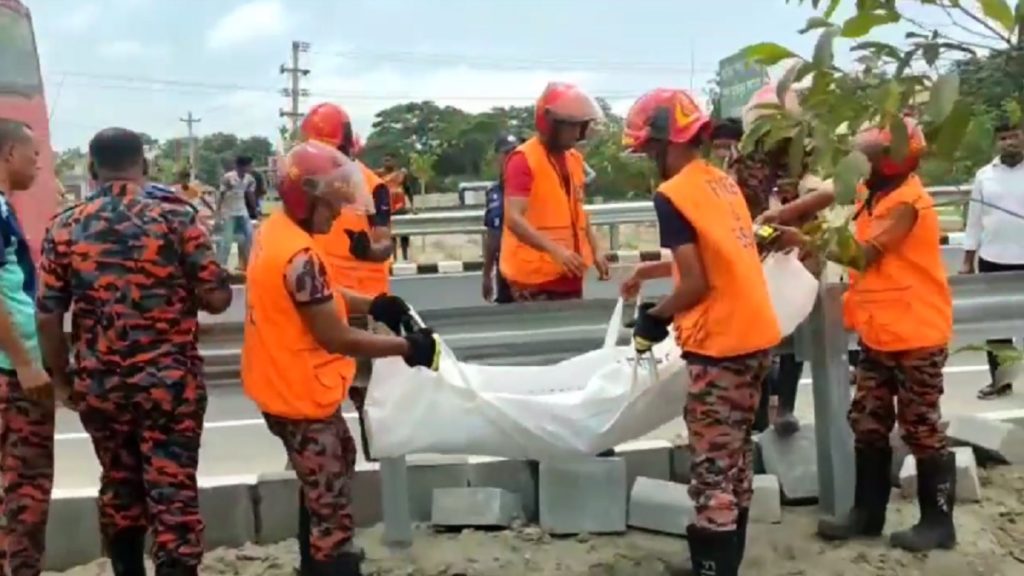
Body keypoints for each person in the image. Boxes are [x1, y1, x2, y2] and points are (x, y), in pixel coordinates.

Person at [35, 127, 233, 576]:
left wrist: (62, 378)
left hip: (101, 385)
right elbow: (218, 299)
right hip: (169, 386)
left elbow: (47, 316)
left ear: (92, 168)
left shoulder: (65, 226)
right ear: (144, 164)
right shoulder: (177, 218)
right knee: (173, 490)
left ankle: (126, 568)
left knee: (119, 486)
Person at [242, 140, 439, 576]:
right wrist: (408, 348)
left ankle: (312, 562)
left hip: (278, 383)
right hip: (300, 394)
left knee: (330, 471)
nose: (337, 216)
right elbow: (335, 336)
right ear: (305, 199)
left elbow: (321, 293)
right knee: (331, 509)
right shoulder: (300, 256)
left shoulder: (276, 231)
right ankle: (330, 565)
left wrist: (375, 304)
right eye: (332, 206)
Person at [622, 89, 782, 576]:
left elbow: (695, 283)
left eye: (649, 149)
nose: (649, 159)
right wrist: (652, 275)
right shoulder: (722, 183)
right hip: (757, 337)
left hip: (721, 346)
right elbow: (723, 257)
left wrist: (654, 318)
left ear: (665, 142)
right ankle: (725, 563)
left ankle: (713, 569)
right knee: (736, 457)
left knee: (712, 466)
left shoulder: (672, 195)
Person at [807, 118, 956, 553]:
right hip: (878, 333)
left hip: (917, 334)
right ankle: (867, 514)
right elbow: (830, 192)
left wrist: (807, 239)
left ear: (893, 161)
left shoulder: (910, 202)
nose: (862, 163)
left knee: (920, 426)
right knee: (868, 422)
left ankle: (938, 523)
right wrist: (785, 212)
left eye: (869, 157)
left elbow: (864, 255)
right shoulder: (872, 192)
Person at [0, 118, 55, 576]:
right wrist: (24, 361)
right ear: (8, 154)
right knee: (25, 493)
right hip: (11, 373)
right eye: (32, 154)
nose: (38, 164)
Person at [500, 82, 610, 302]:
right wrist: (555, 250)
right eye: (572, 127)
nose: (577, 134)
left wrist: (595, 249)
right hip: (535, 280)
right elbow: (513, 218)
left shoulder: (573, 159)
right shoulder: (523, 160)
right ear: (551, 125)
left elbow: (578, 212)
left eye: (581, 127)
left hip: (569, 272)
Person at [961, 119, 1024, 400]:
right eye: (1003, 138)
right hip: (993, 259)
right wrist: (967, 260)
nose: (1009, 142)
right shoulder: (984, 176)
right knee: (998, 329)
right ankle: (1001, 381)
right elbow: (974, 220)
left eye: (1014, 136)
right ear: (997, 143)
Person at [482, 134, 519, 304]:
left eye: (515, 153)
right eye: (507, 154)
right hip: (504, 267)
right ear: (497, 158)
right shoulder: (494, 192)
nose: (512, 158)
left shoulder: (533, 187)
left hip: (529, 266)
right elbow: (492, 236)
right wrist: (487, 275)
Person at [217, 155, 257, 271]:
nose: (250, 168)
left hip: (242, 211)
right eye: (249, 166)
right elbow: (221, 194)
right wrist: (218, 210)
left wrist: (254, 209)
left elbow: (250, 194)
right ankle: (221, 265)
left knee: (249, 237)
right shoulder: (228, 178)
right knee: (227, 240)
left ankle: (248, 264)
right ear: (241, 166)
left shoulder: (249, 179)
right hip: (229, 212)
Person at [376, 153, 415, 261]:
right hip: (387, 208)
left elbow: (408, 190)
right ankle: (394, 258)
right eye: (385, 160)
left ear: (394, 162)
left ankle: (405, 257)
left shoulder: (401, 174)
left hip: (400, 207)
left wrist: (412, 206)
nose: (387, 163)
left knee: (404, 234)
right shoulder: (378, 174)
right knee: (391, 235)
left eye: (390, 160)